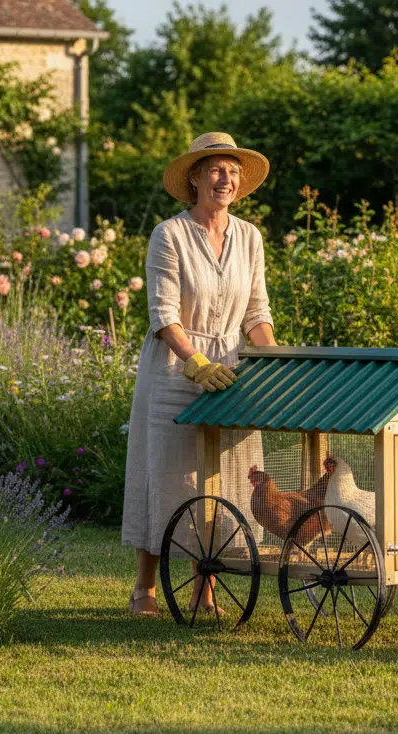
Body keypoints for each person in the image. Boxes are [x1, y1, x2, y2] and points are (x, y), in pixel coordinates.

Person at [121, 132, 276, 616]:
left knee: (224, 479)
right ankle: (145, 589)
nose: (224, 178)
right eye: (214, 169)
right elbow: (163, 315)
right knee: (168, 476)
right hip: (175, 368)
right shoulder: (169, 235)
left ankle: (204, 590)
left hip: (231, 367)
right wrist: (195, 362)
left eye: (232, 170)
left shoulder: (249, 236)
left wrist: (272, 363)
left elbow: (257, 314)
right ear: (193, 177)